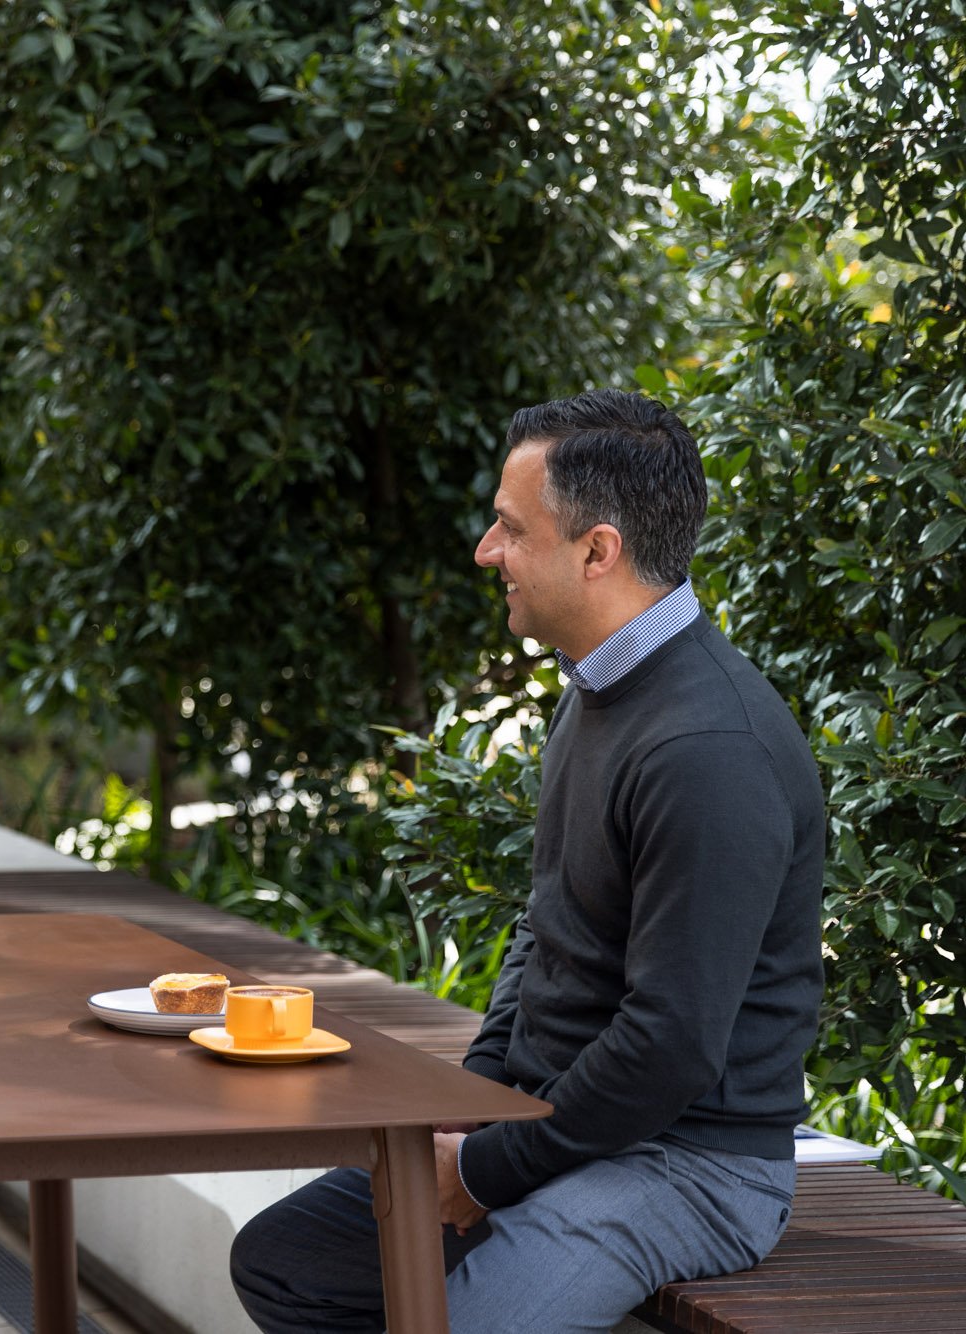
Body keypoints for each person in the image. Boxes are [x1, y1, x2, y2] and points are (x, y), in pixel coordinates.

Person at [231, 389, 825, 1333]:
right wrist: (464, 1110)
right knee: (289, 1263)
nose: (485, 551)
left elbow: (670, 1044)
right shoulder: (598, 690)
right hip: (554, 1124)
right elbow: (545, 929)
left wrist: (480, 1171)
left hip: (689, 1163)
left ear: (597, 551)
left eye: (510, 528)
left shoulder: (708, 749)